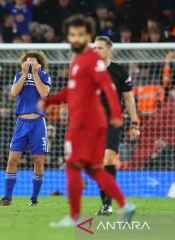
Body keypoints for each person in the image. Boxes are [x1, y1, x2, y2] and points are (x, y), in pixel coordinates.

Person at [38, 15, 136, 227]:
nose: (75, 38)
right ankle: (124, 204)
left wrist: (118, 114)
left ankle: (74, 217)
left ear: (88, 36)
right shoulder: (79, 60)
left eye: (80, 34)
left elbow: (109, 87)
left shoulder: (91, 60)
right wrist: (50, 101)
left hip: (85, 123)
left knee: (73, 165)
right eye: (72, 34)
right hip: (89, 121)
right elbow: (72, 89)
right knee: (94, 169)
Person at [0, 50, 51, 207]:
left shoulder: (44, 76)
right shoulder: (19, 75)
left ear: (39, 64)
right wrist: (26, 74)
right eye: (27, 62)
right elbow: (13, 93)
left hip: (38, 122)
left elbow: (44, 93)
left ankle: (34, 199)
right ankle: (7, 198)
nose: (30, 65)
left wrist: (36, 74)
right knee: (12, 160)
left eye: (33, 62)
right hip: (21, 123)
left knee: (38, 160)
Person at [93, 36, 140, 215]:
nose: (96, 51)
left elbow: (128, 99)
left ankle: (107, 205)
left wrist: (134, 123)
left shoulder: (119, 71)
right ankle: (105, 203)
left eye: (100, 48)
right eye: (95, 48)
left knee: (108, 160)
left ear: (109, 50)